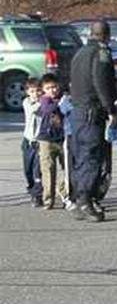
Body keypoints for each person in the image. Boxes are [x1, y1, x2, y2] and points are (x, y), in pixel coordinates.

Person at [69, 21, 117, 222]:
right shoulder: (101, 52)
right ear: (106, 35)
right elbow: (101, 82)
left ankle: (79, 198)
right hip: (92, 112)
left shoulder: (79, 53)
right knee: (92, 157)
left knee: (80, 157)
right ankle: (86, 200)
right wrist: (111, 109)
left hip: (78, 111)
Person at [36, 75, 67, 210]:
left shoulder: (65, 98)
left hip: (63, 138)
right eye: (48, 88)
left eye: (54, 87)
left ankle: (65, 192)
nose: (52, 90)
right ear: (43, 90)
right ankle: (48, 199)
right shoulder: (45, 100)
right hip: (46, 140)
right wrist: (60, 104)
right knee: (48, 169)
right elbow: (47, 109)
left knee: (68, 168)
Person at [22, 79, 43, 207]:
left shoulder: (44, 103)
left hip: (39, 141)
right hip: (27, 141)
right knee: (28, 170)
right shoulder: (27, 102)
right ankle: (31, 188)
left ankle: (37, 195)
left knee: (37, 171)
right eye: (32, 91)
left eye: (38, 91)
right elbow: (34, 109)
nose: (35, 94)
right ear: (27, 92)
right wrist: (45, 101)